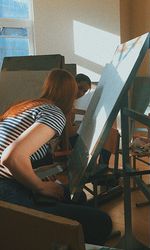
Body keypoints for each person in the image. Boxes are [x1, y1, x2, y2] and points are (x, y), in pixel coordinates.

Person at [0, 69, 112, 245]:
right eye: (79, 91)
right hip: (5, 191)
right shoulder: (54, 113)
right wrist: (39, 186)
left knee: (76, 196)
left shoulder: (25, 106)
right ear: (70, 94)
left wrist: (35, 173)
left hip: (8, 182)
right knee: (102, 222)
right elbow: (11, 157)